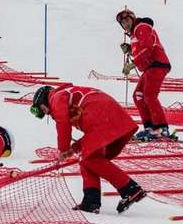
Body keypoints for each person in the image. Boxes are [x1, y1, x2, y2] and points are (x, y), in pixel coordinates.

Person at [30, 84, 146, 213]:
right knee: (87, 158)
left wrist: (63, 149)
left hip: (102, 117)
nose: (48, 113)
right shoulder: (66, 95)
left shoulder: (56, 98)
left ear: (44, 99)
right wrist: (74, 148)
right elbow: (90, 133)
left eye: (43, 108)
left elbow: (63, 123)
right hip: (113, 117)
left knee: (90, 158)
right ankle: (90, 201)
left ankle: (131, 189)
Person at [116, 8, 172, 141]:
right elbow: (141, 50)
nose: (126, 24)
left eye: (127, 20)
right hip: (149, 67)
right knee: (138, 95)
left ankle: (161, 128)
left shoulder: (141, 27)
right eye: (123, 23)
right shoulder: (134, 34)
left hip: (157, 64)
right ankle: (150, 127)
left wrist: (132, 64)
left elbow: (148, 48)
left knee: (149, 95)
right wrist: (130, 50)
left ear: (133, 19)